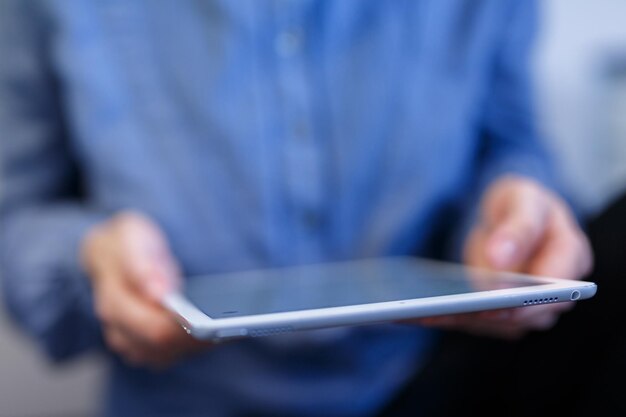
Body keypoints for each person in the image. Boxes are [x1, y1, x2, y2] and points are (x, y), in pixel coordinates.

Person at [0, 1, 592, 416]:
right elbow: (14, 211)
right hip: (183, 400)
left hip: (436, 382)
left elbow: (510, 138)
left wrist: (518, 210)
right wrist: (90, 258)